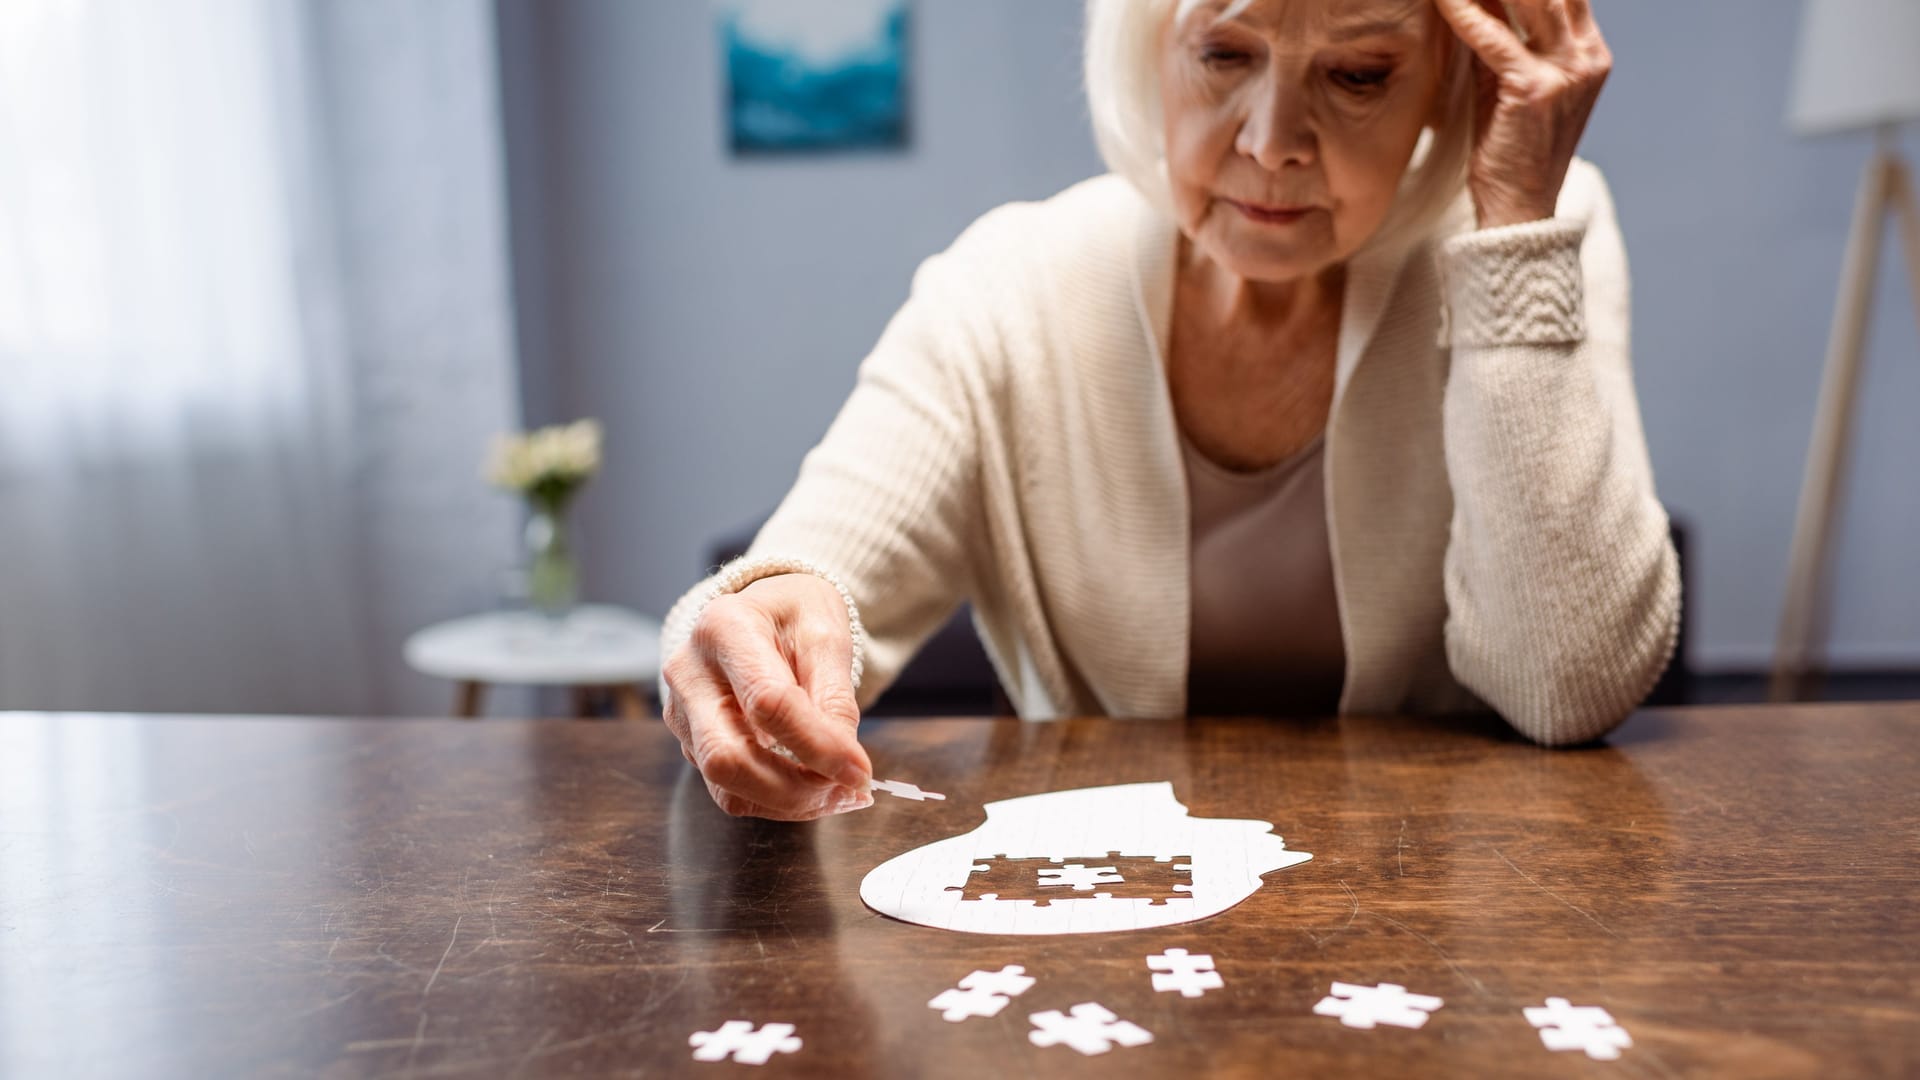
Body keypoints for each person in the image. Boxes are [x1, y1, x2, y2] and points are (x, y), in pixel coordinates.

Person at [658, 0, 1677, 821]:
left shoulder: (1535, 222)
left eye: (1359, 74)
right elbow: (807, 572)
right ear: (1152, 43)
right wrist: (749, 626)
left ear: (1451, 82)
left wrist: (1513, 239)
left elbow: (1566, 690)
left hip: (1443, 909)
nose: (1275, 143)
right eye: (1225, 53)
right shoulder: (1010, 283)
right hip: (1105, 925)